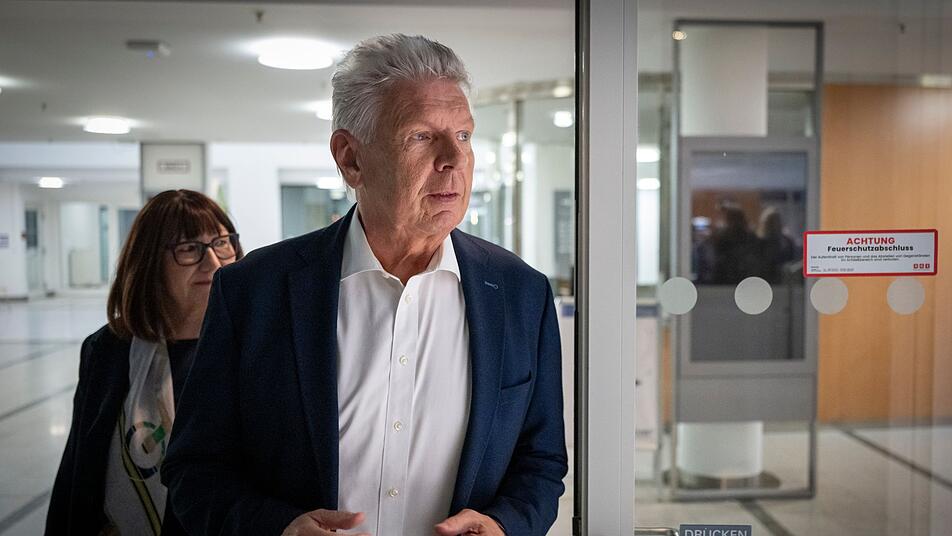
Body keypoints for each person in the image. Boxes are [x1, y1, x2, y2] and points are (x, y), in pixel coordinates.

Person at [162, 34, 567, 536]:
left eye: (463, 135)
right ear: (350, 158)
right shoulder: (252, 292)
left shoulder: (520, 294)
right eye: (422, 136)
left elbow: (541, 462)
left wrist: (504, 525)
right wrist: (278, 528)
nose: (454, 159)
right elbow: (195, 470)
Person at [46, 190, 242, 535]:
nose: (212, 262)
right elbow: (80, 468)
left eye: (221, 243)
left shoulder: (254, 342)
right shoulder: (110, 349)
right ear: (150, 261)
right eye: (189, 248)